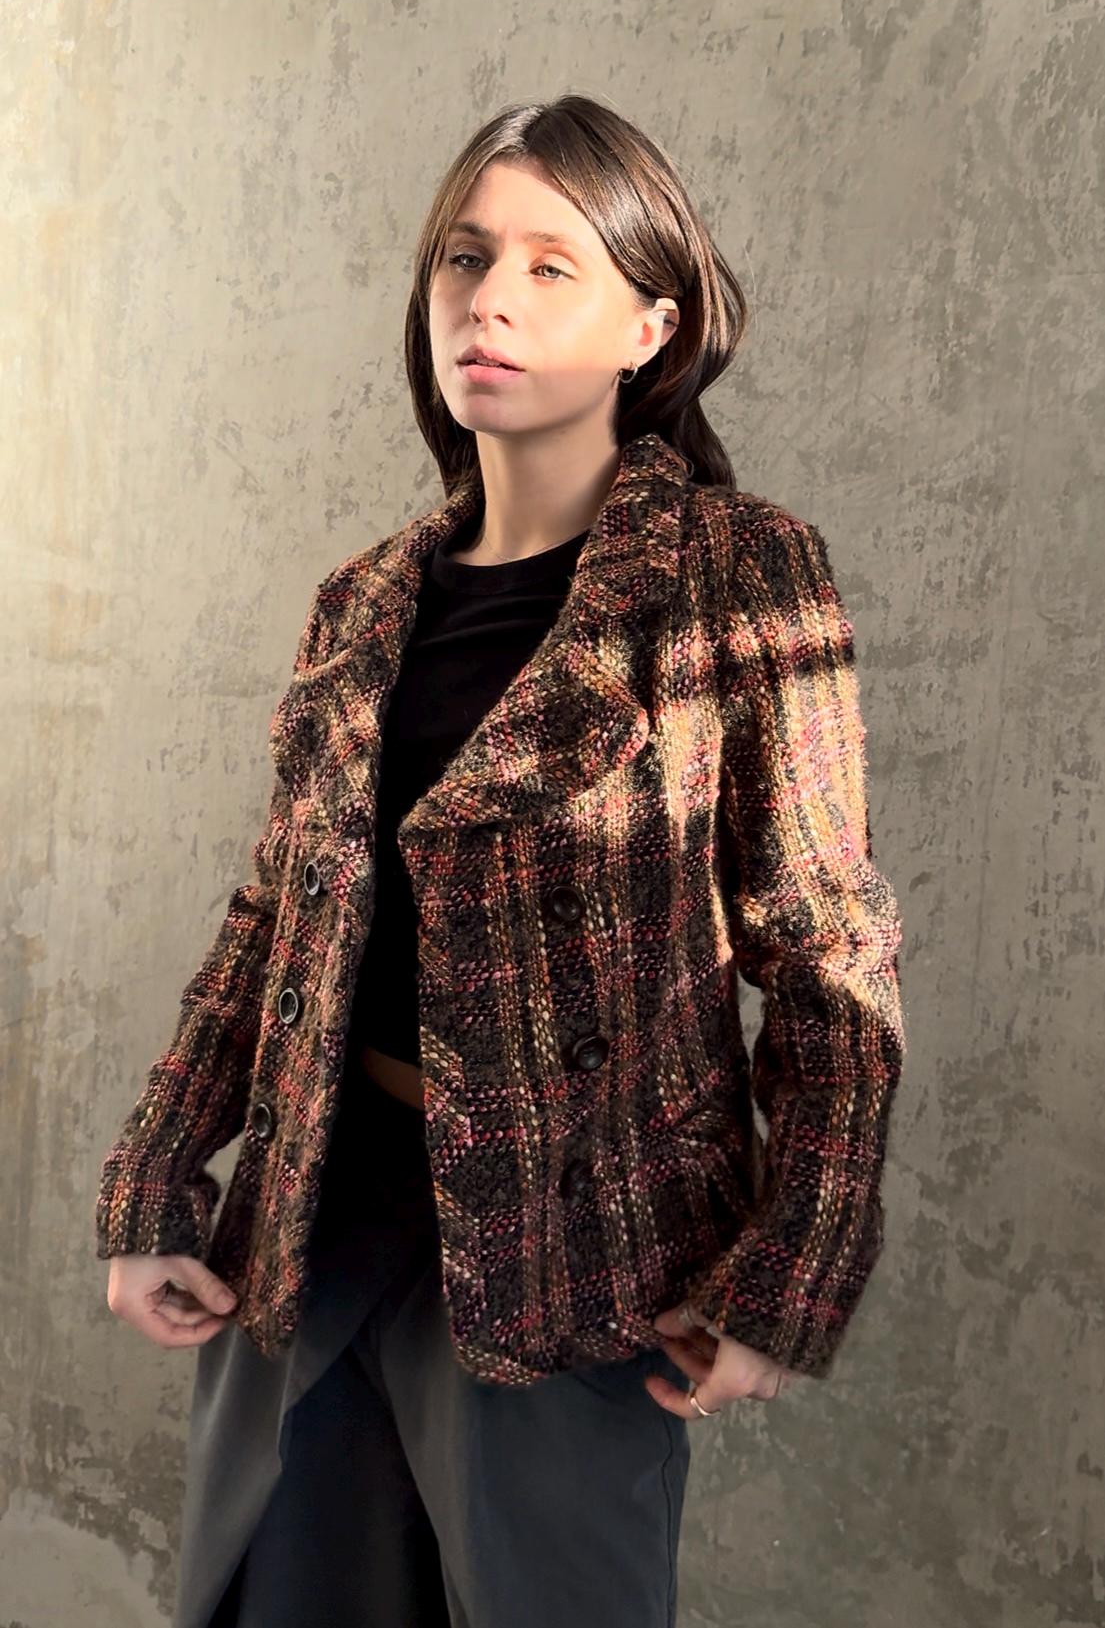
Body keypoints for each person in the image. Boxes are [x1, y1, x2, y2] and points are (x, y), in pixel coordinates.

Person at [96, 94, 905, 1628]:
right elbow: (275, 918)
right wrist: (153, 1179)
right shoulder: (362, 600)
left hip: (577, 1261)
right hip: (311, 1224)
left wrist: (787, 1272)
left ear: (647, 326)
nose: (491, 296)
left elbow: (826, 947)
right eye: (467, 256)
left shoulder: (739, 577)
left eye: (552, 265)